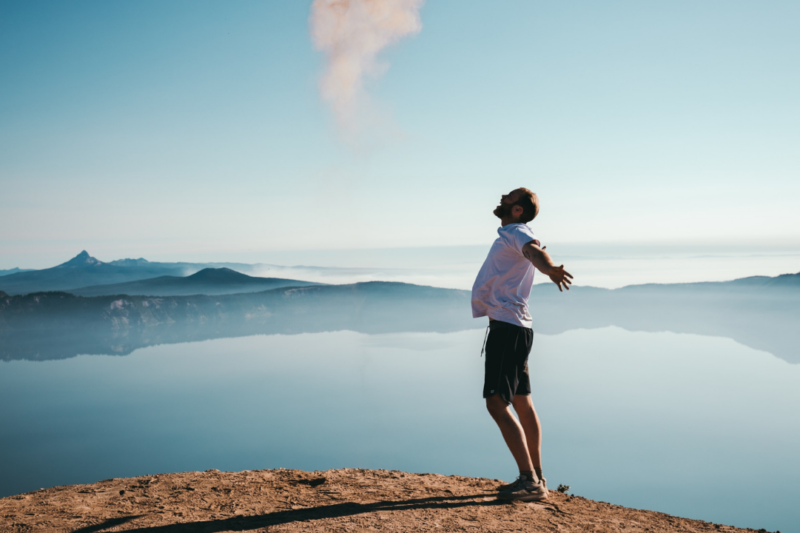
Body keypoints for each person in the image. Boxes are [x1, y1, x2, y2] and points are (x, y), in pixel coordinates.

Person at [471, 188, 573, 502]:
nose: (502, 197)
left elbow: (534, 252)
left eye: (509, 197)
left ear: (517, 210)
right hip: (515, 327)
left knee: (496, 403)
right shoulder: (512, 232)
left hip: (507, 328)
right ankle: (536, 476)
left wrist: (549, 268)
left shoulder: (518, 232)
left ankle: (530, 482)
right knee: (521, 401)